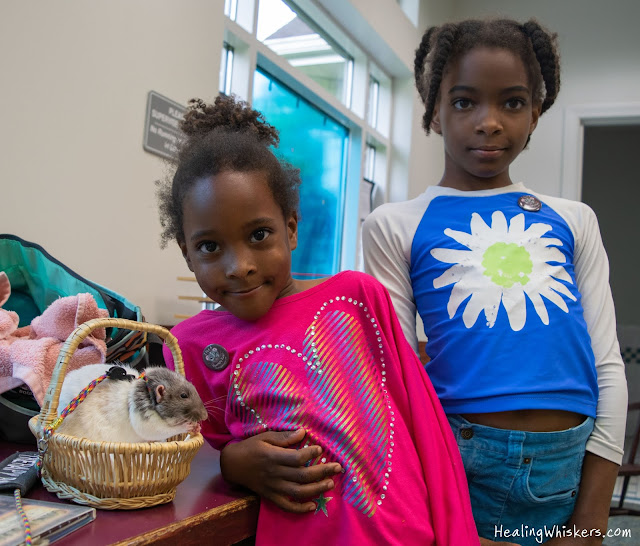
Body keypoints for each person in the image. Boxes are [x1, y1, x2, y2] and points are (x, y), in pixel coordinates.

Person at [156, 95, 479, 545]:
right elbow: (189, 458)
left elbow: (424, 423)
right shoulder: (188, 345)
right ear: (187, 254)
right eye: (210, 246)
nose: (240, 265)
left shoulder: (357, 296)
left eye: (259, 235)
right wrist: (236, 463)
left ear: (291, 229)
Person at [362, 18, 627, 546]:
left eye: (511, 102)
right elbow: (394, 375)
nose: (489, 122)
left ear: (535, 113)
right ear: (434, 112)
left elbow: (607, 366)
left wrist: (593, 516)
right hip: (456, 461)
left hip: (564, 467)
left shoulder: (573, 219)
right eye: (463, 102)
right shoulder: (395, 224)